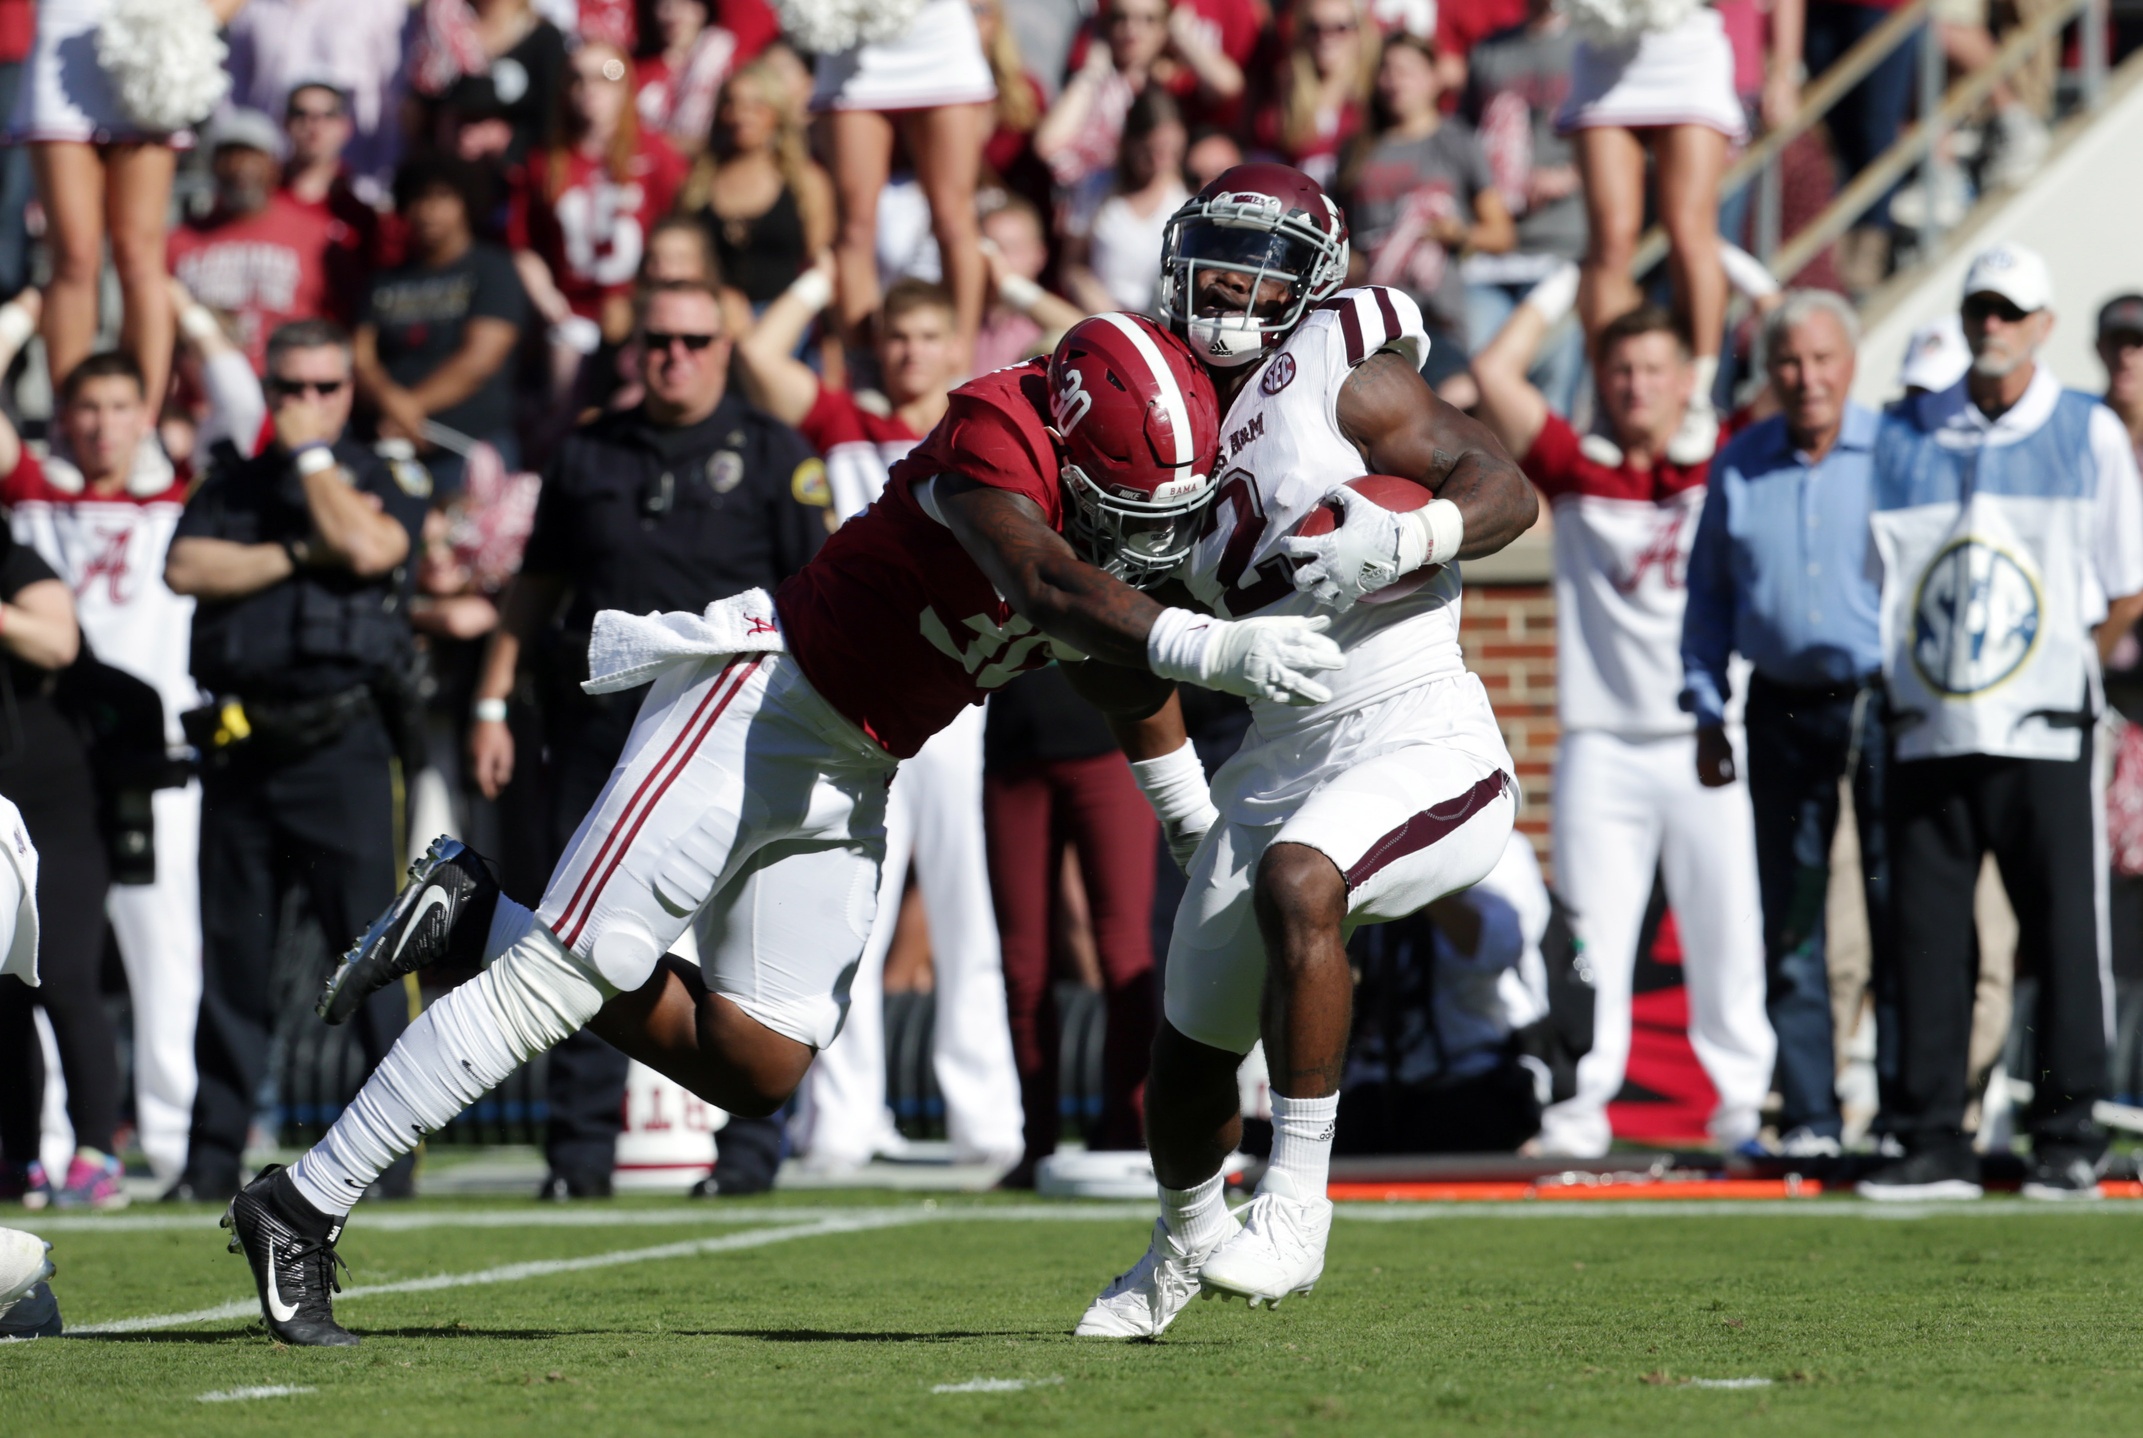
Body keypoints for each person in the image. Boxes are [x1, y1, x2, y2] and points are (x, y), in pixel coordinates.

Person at [221, 313, 1338, 1348]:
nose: (1133, 540)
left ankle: (477, 915)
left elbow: (1101, 655)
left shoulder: (1111, 479)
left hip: (856, 758)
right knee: (562, 976)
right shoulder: (998, 430)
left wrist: (1187, 814)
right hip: (758, 705)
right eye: (1121, 511)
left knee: (758, 1062)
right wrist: (1212, 650)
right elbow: (1049, 588)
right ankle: (303, 1200)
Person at [1076, 163, 1536, 1336]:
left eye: (1262, 260)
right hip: (1271, 754)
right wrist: (1180, 795)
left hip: (1418, 722)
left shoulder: (1343, 370)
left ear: (1313, 281)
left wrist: (1409, 534)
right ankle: (1180, 1252)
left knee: (1301, 877)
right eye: (1216, 252)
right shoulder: (1148, 404)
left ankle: (1298, 1200)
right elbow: (1111, 642)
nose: (1232, 280)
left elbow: (1504, 488)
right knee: (1181, 1060)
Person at [465, 278, 828, 1199]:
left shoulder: (773, 449)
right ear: (634, 350)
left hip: (740, 729)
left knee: (744, 940)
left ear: (723, 345)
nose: (675, 356)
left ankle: (748, 1157)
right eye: (658, 340)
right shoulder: (587, 450)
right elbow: (537, 585)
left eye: (695, 340)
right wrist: (492, 701)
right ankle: (577, 1158)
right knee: (585, 929)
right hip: (602, 727)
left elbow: (819, 595)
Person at [1856, 245, 2143, 1201]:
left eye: (2010, 312)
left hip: (2046, 729)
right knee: (1927, 940)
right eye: (1980, 307)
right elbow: (1876, 580)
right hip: (1929, 728)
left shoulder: (2086, 430)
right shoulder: (1902, 433)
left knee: (2064, 941)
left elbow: (2125, 585)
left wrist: (2061, 663)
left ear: (2041, 328)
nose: (1992, 325)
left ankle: (2068, 1139)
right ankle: (1928, 1138)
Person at [1469, 272, 1775, 1160]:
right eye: (1620, 370)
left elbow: (1806, 364)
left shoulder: (1727, 457)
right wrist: (1567, 285)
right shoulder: (1578, 469)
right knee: (1588, 942)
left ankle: (1741, 1112)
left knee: (1729, 937)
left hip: (1709, 741)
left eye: (1653, 369)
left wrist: (1737, 274)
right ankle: (1575, 1113)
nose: (1636, 385)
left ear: (1688, 377)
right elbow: (1494, 372)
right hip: (1601, 746)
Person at [735, 265, 1025, 1171]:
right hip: (859, 693)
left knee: (968, 912)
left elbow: (1074, 347)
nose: (912, 354)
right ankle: (843, 1121)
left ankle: (986, 1119)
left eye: (931, 336)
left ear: (960, 345)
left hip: (959, 700)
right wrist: (824, 274)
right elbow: (753, 354)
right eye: (897, 337)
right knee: (842, 903)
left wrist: (1010, 280)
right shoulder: (843, 425)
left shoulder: (984, 429)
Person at [161, 318, 430, 1204]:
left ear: (347, 392)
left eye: (323, 388)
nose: (305, 405)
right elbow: (186, 566)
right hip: (242, 748)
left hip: (343, 744)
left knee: (374, 960)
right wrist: (292, 552)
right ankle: (210, 1159)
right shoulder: (232, 484)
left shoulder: (377, 479)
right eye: (288, 390)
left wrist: (315, 467)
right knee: (233, 964)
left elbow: (366, 547)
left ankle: (388, 1157)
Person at [0, 296, 216, 1190]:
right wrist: (25, 316)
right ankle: (47, 1145)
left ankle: (166, 1141)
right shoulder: (38, 497)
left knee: (164, 951)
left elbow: (245, 416)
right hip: (62, 756)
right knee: (42, 959)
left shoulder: (177, 494)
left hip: (157, 758)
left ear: (146, 414)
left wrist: (191, 322)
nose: (100, 425)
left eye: (120, 407)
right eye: (84, 408)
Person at [1681, 290, 1888, 1157]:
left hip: (1886, 706)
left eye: (1822, 359)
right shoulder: (1740, 462)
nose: (1807, 379)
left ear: (1850, 363)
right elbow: (1708, 598)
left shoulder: (1899, 451)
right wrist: (1703, 707)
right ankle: (1809, 1114)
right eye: (1789, 363)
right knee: (1793, 911)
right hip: (1779, 705)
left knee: (1898, 903)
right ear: (1768, 374)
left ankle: (1912, 1115)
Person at [11, 0, 248, 416]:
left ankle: (140, 425)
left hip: (149, 42)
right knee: (73, 255)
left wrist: (192, 20)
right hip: (64, 38)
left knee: (139, 256)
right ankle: (74, 422)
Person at [985, 667, 1159, 1180]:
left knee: (1124, 953)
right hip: (1014, 750)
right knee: (1023, 966)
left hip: (1109, 740)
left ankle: (1128, 1133)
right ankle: (1036, 1143)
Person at [0, 401, 108, 1208]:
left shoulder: (12, 553)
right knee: (3, 990)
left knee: (61, 975)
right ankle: (20, 1156)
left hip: (42, 797)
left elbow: (57, 640)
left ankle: (98, 1153)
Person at [1555, 0, 1743, 460]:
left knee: (1689, 226)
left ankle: (1696, 392)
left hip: (1687, 43)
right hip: (1606, 48)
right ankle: (1606, 395)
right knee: (1612, 239)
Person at [1334, 832, 1553, 1154]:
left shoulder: (1497, 843)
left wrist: (1416, 883)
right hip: (1373, 1081)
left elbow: (1499, 947)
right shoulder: (1365, 837)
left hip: (1467, 1076)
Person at [808, 0, 996, 354]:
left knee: (954, 219)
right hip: (851, 35)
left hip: (936, 33)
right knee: (854, 226)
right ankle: (865, 366)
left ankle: (958, 360)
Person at [510, 40, 687, 413]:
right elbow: (523, 243)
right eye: (578, 78)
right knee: (563, 405)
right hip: (574, 315)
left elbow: (682, 237)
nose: (591, 88)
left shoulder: (657, 156)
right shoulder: (546, 162)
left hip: (639, 310)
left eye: (607, 76)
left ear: (627, 85)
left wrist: (644, 303)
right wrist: (550, 303)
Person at [1341, 32, 1514, 395]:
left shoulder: (1458, 142)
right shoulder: (1358, 149)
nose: (1394, 80)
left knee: (1458, 396)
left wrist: (1457, 233)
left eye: (1407, 70)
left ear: (1435, 79)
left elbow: (1502, 233)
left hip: (1433, 315)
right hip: (1368, 312)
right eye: (1386, 70)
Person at [356, 155, 528, 491]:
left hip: (467, 449)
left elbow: (479, 360)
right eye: (419, 199)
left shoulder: (493, 269)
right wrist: (391, 403)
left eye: (442, 197)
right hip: (393, 449)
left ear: (466, 202)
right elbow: (360, 356)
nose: (428, 210)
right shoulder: (385, 280)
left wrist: (408, 409)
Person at [1461, 0, 1587, 417]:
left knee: (1552, 403)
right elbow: (1463, 147)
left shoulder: (1589, 43)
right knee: (1485, 395)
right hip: (1493, 257)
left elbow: (1632, 145)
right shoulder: (1490, 52)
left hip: (1563, 250)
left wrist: (1571, 175)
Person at [167, 108, 342, 374]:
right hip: (205, 393)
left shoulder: (317, 233)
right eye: (229, 156)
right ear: (212, 165)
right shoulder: (177, 241)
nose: (240, 167)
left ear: (274, 166)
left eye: (252, 156)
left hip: (288, 387)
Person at [1034, 0, 1247, 192]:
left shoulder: (1176, 83)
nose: (1131, 29)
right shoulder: (1098, 86)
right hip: (1100, 205)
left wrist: (1183, 34)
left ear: (1167, 26)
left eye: (1149, 20)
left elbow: (1228, 86)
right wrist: (1091, 72)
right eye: (1120, 17)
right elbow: (1047, 145)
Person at [676, 60, 834, 313]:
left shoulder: (806, 182)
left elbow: (819, 267)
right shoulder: (697, 183)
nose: (741, 115)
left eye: (755, 106)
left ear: (776, 111)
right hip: (712, 317)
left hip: (787, 320)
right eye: (731, 104)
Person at [223, 0, 411, 197]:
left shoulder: (381, 7)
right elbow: (234, 98)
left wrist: (384, 180)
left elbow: (395, 103)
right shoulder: (253, 8)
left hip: (357, 186)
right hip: (272, 187)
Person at [1059, 88, 1191, 318]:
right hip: (1098, 317)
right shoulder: (1095, 187)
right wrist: (1103, 309)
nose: (1158, 161)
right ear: (1130, 144)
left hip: (1160, 324)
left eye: (1169, 150)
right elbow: (1072, 266)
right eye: (1150, 151)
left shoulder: (1186, 202)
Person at [1248, 0, 1382, 188]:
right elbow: (1263, 183)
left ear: (1360, 34)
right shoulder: (1281, 110)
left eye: (1340, 28)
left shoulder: (1377, 100)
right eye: (1314, 28)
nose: (1326, 36)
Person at [280, 83, 382, 317]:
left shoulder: (358, 215)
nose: (313, 125)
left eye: (326, 116)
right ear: (285, 123)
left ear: (345, 127)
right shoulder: (263, 202)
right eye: (301, 114)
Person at [633, 0, 736, 155]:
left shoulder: (727, 52)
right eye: (664, 5)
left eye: (684, 4)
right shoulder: (638, 72)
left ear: (703, 9)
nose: (674, 15)